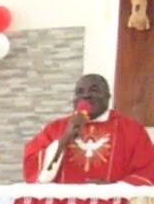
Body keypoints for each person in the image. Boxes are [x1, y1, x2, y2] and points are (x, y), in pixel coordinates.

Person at [23, 73, 154, 185]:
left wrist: (114, 188)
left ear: (108, 97)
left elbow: (147, 171)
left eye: (94, 90)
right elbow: (36, 170)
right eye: (79, 92)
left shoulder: (131, 130)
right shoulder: (55, 128)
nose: (85, 96)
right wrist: (63, 140)